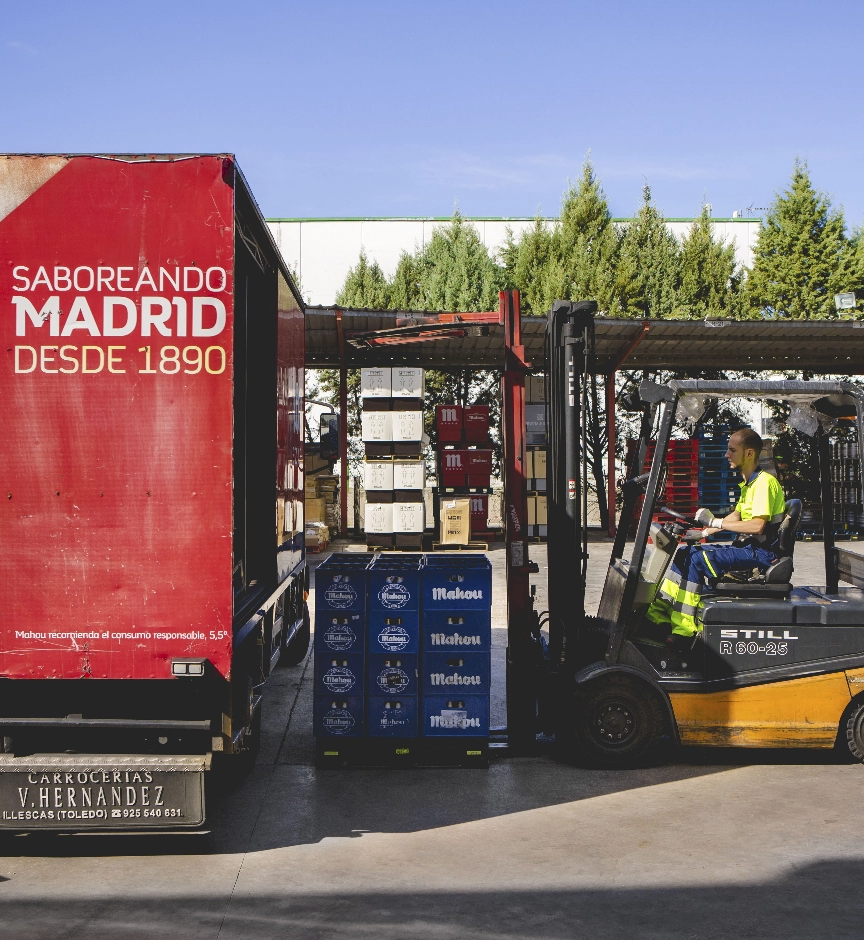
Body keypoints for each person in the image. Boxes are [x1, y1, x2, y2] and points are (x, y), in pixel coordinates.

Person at [646, 427, 786, 637]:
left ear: (749, 453)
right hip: (748, 548)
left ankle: (683, 631)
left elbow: (757, 526)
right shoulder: (751, 483)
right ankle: (657, 617)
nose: (726, 454)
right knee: (684, 553)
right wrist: (703, 532)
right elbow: (736, 517)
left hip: (762, 554)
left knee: (697, 560)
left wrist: (714, 521)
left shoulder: (764, 484)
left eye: (732, 450)